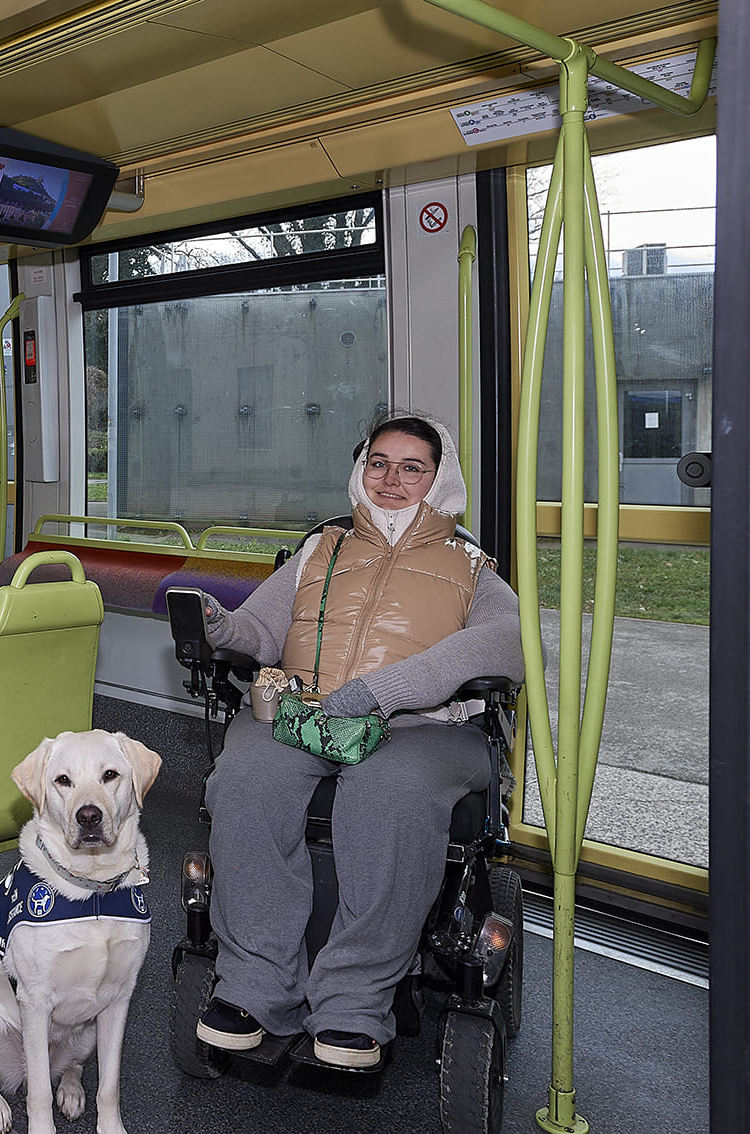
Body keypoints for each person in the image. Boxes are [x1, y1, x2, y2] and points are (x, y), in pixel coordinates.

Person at [191, 411, 523, 1069]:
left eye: (411, 467)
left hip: (422, 728)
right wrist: (221, 627)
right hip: (308, 715)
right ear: (361, 468)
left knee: (384, 791)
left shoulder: (470, 562)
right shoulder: (323, 547)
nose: (391, 479)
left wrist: (386, 688)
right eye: (379, 463)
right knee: (243, 779)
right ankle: (256, 982)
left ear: (439, 479)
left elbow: (506, 643)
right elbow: (261, 629)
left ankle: (353, 1002)